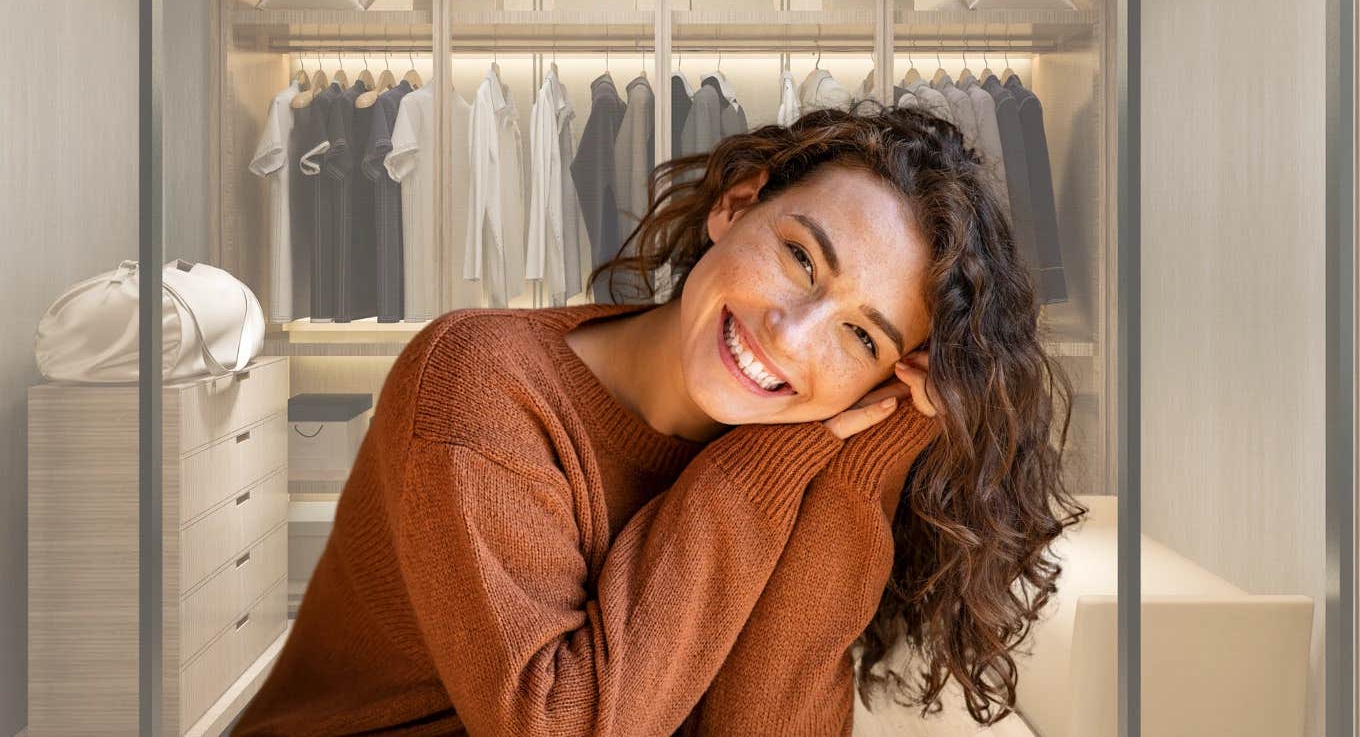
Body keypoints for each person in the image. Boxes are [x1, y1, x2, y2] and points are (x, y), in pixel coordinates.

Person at [232, 101, 1087, 736]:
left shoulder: (795, 442)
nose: (789, 336)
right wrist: (772, 462)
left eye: (860, 335)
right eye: (799, 256)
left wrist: (875, 450)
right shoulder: (482, 382)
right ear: (735, 205)